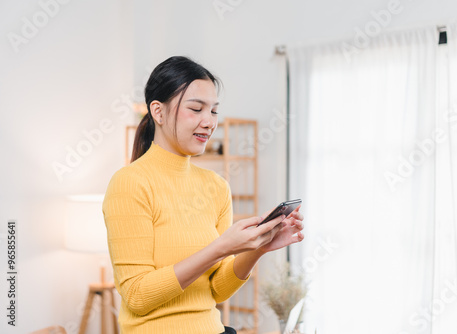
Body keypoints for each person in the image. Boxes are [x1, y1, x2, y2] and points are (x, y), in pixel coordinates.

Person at [102, 56, 305, 334]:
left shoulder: (216, 186)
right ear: (158, 112)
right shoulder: (130, 183)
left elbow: (218, 291)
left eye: (213, 111)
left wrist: (257, 248)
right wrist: (221, 247)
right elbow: (137, 296)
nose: (209, 122)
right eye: (196, 109)